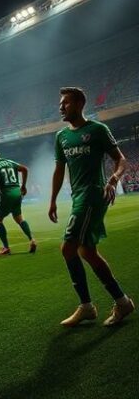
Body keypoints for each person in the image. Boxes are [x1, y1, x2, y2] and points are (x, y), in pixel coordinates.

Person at [49, 87, 134, 326]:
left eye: (65, 103)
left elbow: (120, 159)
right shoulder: (61, 136)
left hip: (93, 196)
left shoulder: (97, 130)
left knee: (68, 249)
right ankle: (123, 302)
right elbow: (59, 170)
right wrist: (53, 199)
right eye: (60, 103)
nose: (60, 107)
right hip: (78, 196)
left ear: (78, 104)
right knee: (87, 252)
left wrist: (114, 179)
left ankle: (86, 306)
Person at [0, 146, 35, 256]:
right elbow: (25, 169)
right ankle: (32, 240)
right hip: (17, 193)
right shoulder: (9, 162)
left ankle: (6, 248)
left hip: (6, 195)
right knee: (19, 218)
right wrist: (24, 186)